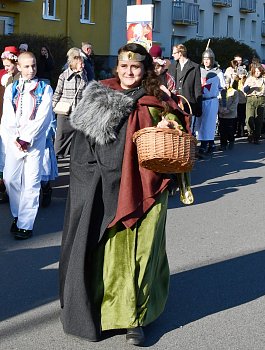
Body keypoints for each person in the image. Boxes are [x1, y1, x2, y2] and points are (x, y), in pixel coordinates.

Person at [59, 43, 191, 345]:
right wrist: (93, 180)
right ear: (116, 67)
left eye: (135, 67)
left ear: (144, 70)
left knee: (144, 254)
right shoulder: (99, 95)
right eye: (123, 66)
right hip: (106, 188)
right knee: (110, 255)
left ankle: (136, 319)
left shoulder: (156, 100)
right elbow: (82, 149)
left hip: (148, 186)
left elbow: (179, 134)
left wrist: (172, 122)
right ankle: (106, 313)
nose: (128, 72)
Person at [1, 52, 53, 239]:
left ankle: (25, 224)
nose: (31, 70)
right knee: (10, 179)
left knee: (31, 183)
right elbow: (7, 116)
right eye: (27, 66)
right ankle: (17, 214)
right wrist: (16, 137)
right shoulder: (11, 88)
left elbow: (43, 117)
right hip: (15, 142)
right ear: (19, 67)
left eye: (34, 66)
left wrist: (27, 138)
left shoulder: (45, 89)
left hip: (34, 143)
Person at [53, 50, 88, 158]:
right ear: (74, 64)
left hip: (77, 112)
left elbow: (85, 93)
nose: (83, 65)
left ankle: (72, 157)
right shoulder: (64, 76)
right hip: (64, 111)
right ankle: (55, 157)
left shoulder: (84, 76)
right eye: (81, 63)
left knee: (76, 137)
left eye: (83, 63)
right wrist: (53, 106)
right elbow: (58, 92)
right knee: (60, 136)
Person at [194, 47, 225, 155]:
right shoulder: (199, 71)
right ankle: (211, 144)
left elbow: (223, 89)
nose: (206, 61)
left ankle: (203, 146)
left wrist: (224, 104)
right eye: (205, 58)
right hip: (201, 100)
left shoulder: (218, 73)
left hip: (212, 101)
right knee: (200, 123)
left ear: (212, 59)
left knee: (208, 124)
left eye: (208, 59)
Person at [0, 46, 21, 203]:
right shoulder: (2, 75)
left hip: (17, 122)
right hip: (4, 120)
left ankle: (12, 188)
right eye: (4, 65)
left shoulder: (21, 78)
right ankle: (3, 187)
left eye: (8, 65)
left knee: (14, 156)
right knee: (3, 154)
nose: (5, 68)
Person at [168, 44, 202, 118]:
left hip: (189, 103)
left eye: (174, 53)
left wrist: (199, 107)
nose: (172, 55)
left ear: (180, 53)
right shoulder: (172, 67)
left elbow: (197, 88)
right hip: (175, 103)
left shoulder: (195, 67)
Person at [243, 63, 265, 144]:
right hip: (251, 99)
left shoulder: (264, 80)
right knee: (249, 118)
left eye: (259, 71)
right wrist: (249, 86)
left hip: (261, 99)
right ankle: (250, 133)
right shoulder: (249, 79)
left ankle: (256, 137)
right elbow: (244, 90)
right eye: (255, 71)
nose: (257, 73)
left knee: (259, 120)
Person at [218, 76, 238, 150]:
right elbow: (217, 102)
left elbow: (235, 103)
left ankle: (231, 141)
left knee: (230, 130)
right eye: (224, 83)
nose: (225, 85)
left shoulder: (234, 92)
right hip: (222, 115)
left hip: (231, 115)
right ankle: (223, 144)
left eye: (227, 83)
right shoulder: (220, 92)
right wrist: (220, 109)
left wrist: (229, 110)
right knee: (222, 130)